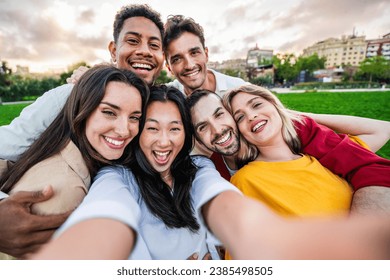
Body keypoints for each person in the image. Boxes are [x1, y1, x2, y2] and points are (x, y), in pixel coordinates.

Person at [30, 86, 390, 260]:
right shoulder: (118, 179)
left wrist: (290, 117)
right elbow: (106, 215)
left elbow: (221, 201)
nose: (163, 140)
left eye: (175, 128)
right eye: (151, 127)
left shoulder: (203, 168)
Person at [0, 4, 163, 257]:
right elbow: (5, 145)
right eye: (133, 40)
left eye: (154, 45)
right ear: (113, 50)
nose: (144, 51)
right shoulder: (70, 96)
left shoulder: (164, 104)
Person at [0, 64, 149, 258]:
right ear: (82, 110)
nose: (124, 130)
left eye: (134, 117)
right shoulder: (63, 192)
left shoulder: (63, 149)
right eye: (109, 112)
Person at [187, 89, 390, 213]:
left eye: (220, 115)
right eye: (202, 127)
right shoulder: (216, 174)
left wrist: (301, 116)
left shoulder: (304, 147)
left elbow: (382, 130)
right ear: (197, 138)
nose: (217, 129)